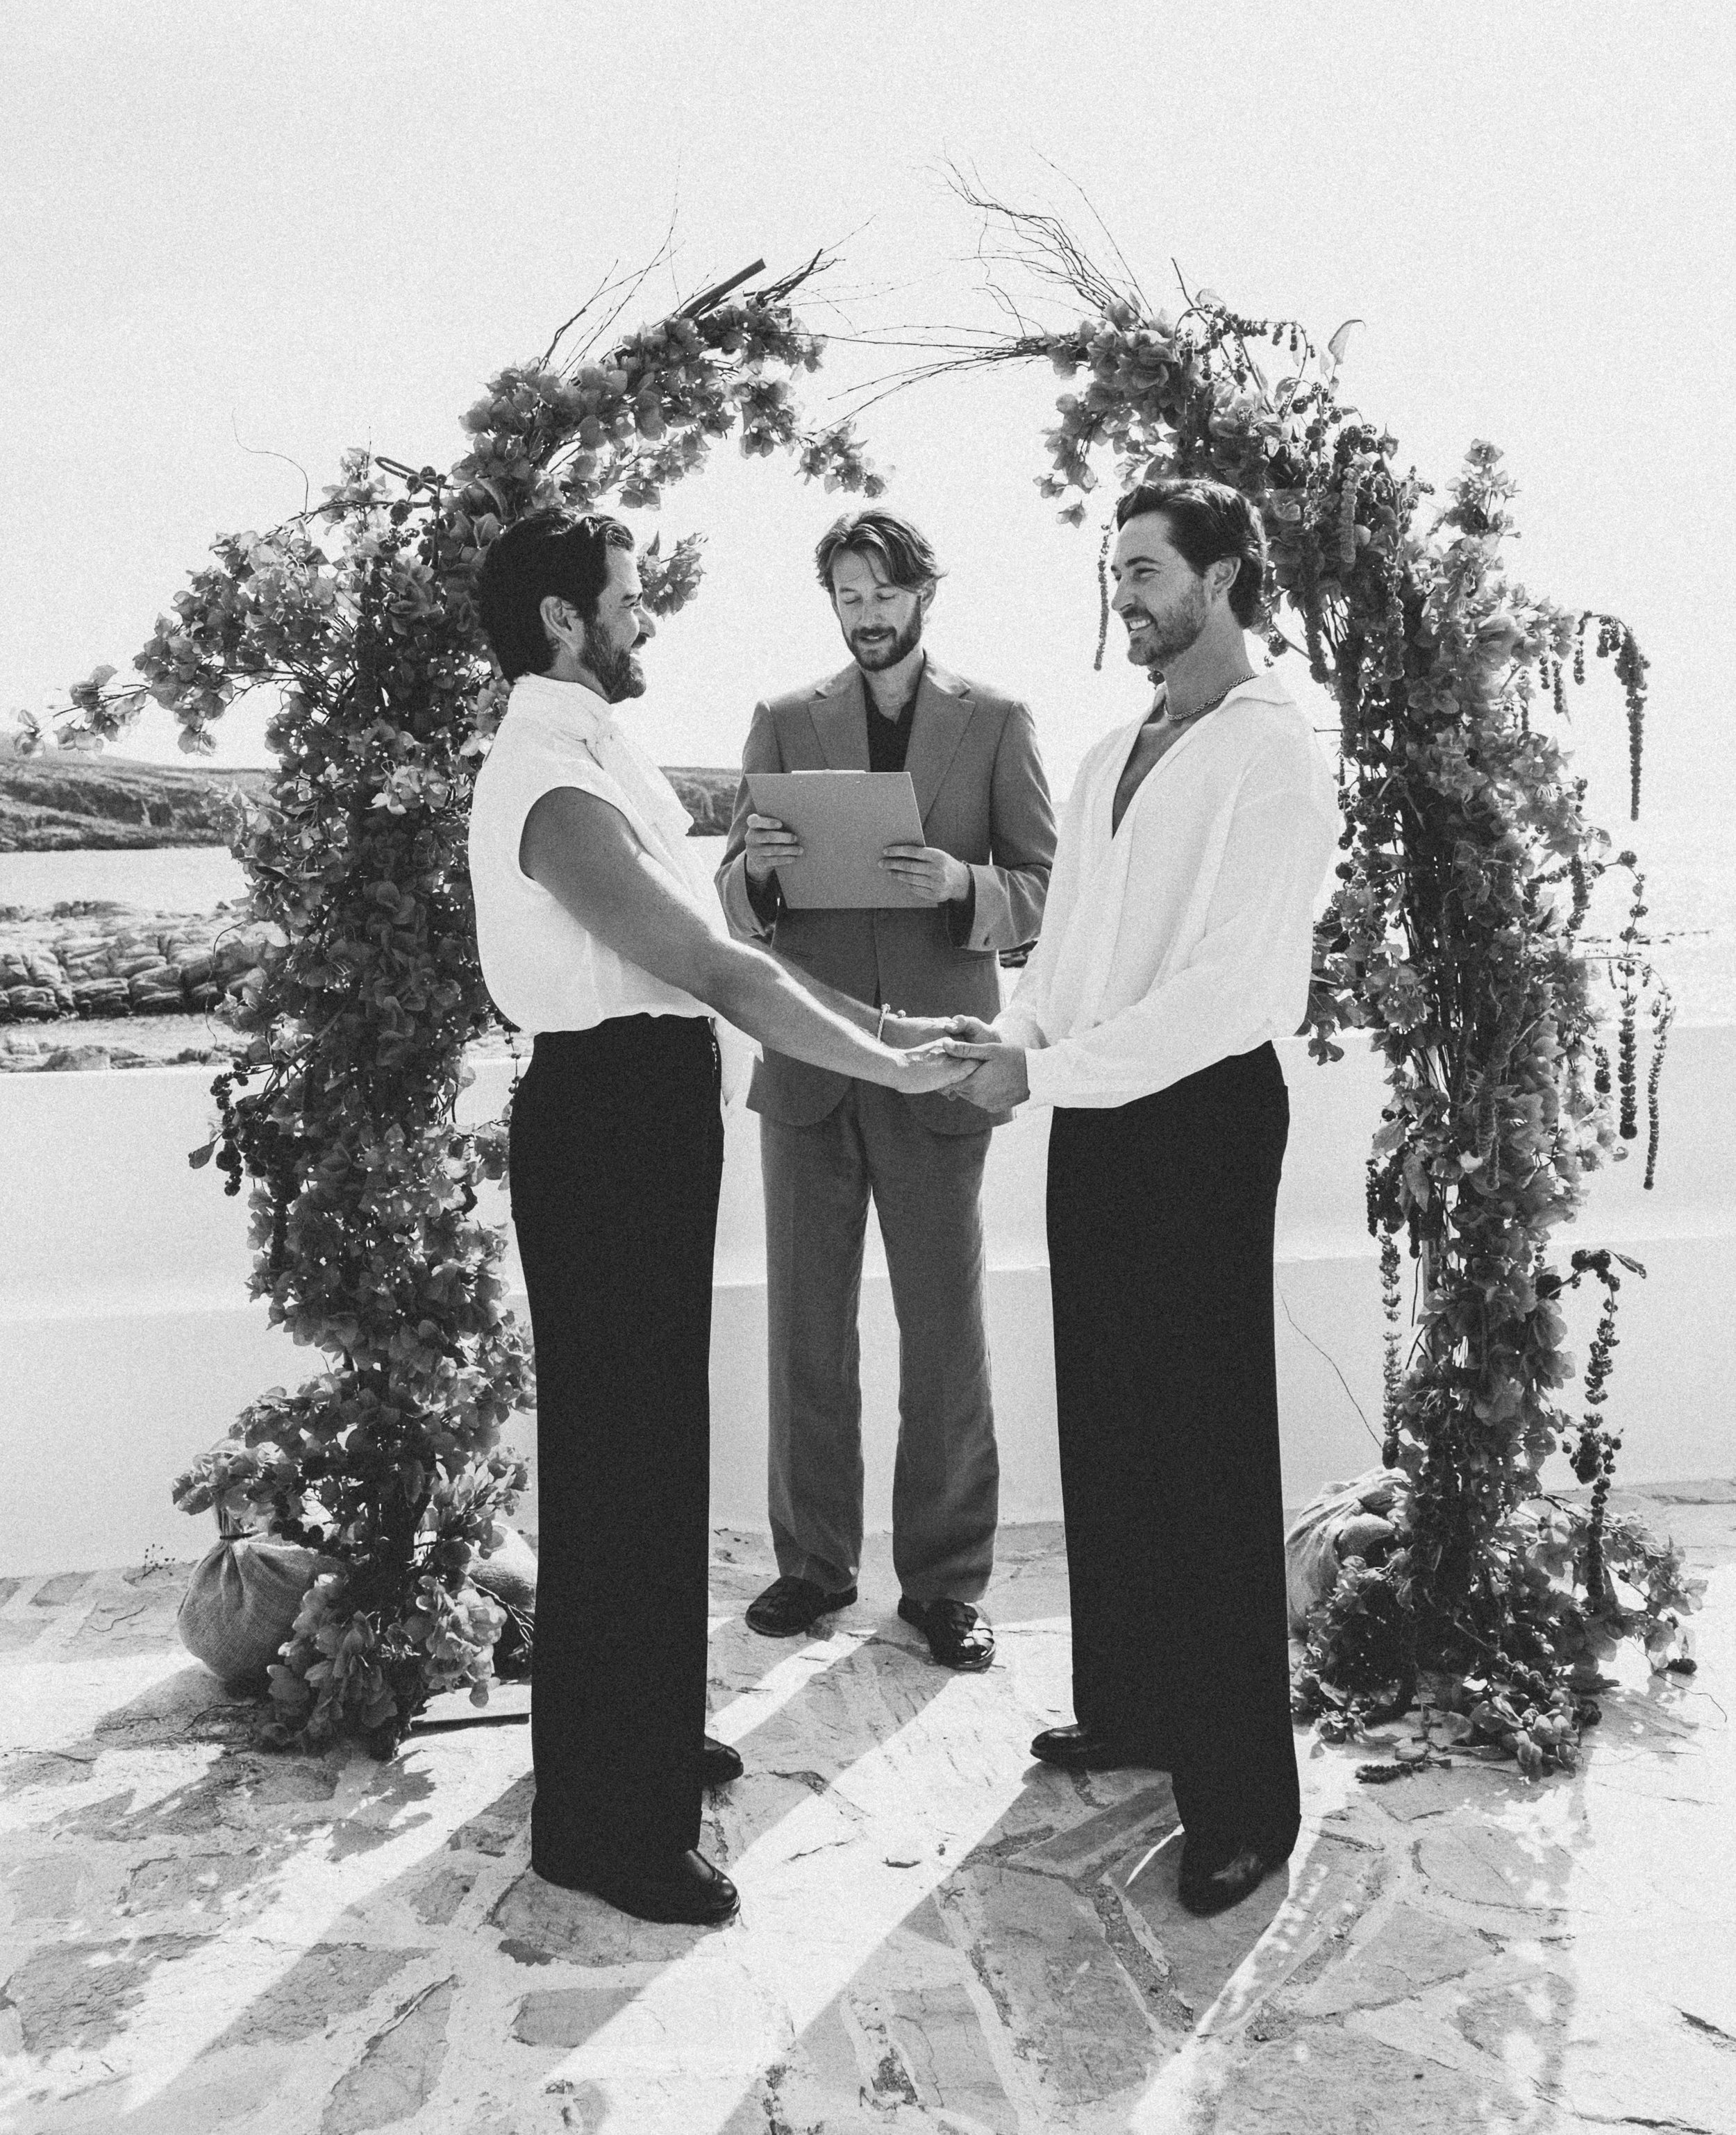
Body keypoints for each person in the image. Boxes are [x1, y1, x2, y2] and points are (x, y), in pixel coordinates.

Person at [467, 507, 961, 1930]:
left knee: (651, 1444)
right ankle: (604, 1829)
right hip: (604, 1119)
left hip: (647, 1110)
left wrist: (879, 1017)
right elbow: (708, 968)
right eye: (626, 600)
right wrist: (887, 1062)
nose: (645, 620)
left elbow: (730, 952)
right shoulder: (546, 784)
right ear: (563, 620)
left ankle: (632, 1729)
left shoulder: (593, 748)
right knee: (618, 1458)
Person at [938, 476, 1339, 1918]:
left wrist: (1043, 1079)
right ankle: (1131, 1704)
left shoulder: (1273, 754)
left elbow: (1232, 990)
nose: (1126, 592)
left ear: (1226, 578)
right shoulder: (1112, 745)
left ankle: (1241, 1804)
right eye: (1116, 570)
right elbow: (1070, 956)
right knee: (1107, 1413)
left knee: (1208, 1451)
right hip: (1097, 1108)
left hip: (1199, 1117)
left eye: (1150, 569)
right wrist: (1016, 1044)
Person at [717, 510, 1055, 1671]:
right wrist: (758, 870)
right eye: (847, 596)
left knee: (944, 1336)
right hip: (808, 1064)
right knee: (807, 1329)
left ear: (921, 593)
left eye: (881, 593)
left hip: (940, 1065)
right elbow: (730, 899)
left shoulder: (999, 721)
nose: (866, 614)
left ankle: (947, 1585)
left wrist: (963, 881)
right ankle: (812, 1566)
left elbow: (1045, 891)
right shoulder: (780, 718)